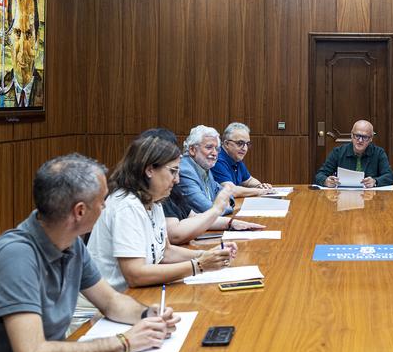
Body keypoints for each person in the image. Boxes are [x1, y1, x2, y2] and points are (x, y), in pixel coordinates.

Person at [0, 154, 179, 352]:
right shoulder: (16, 257)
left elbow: (110, 302)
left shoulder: (71, 243)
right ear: (79, 211)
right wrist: (124, 342)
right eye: (102, 201)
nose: (105, 207)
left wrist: (147, 316)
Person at [87, 136, 238, 292]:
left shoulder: (153, 200)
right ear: (150, 170)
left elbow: (166, 252)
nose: (177, 180)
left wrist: (208, 255)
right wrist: (198, 265)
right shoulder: (126, 206)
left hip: (134, 295)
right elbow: (135, 275)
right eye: (173, 171)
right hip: (103, 307)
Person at [156, 126, 264, 244]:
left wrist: (230, 221)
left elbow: (221, 192)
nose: (214, 153)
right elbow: (208, 209)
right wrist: (221, 206)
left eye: (216, 149)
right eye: (209, 147)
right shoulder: (185, 170)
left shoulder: (204, 166)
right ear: (192, 150)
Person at [314, 120, 393, 188]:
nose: (360, 140)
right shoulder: (338, 152)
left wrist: (375, 181)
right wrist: (326, 181)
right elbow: (319, 175)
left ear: (371, 138)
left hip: (370, 198)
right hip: (343, 198)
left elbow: (390, 176)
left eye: (365, 137)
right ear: (352, 135)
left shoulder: (379, 153)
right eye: (357, 136)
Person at [4, 0, 44, 107]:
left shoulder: (47, 90)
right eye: (17, 33)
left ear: (37, 38)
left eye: (28, 34)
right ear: (8, 35)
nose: (22, 49)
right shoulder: (0, 87)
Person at [211, 122, 272, 196]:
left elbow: (248, 180)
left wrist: (261, 186)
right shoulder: (217, 160)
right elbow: (230, 190)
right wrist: (259, 191)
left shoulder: (235, 158)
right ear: (226, 144)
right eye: (240, 143)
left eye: (247, 144)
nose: (245, 148)